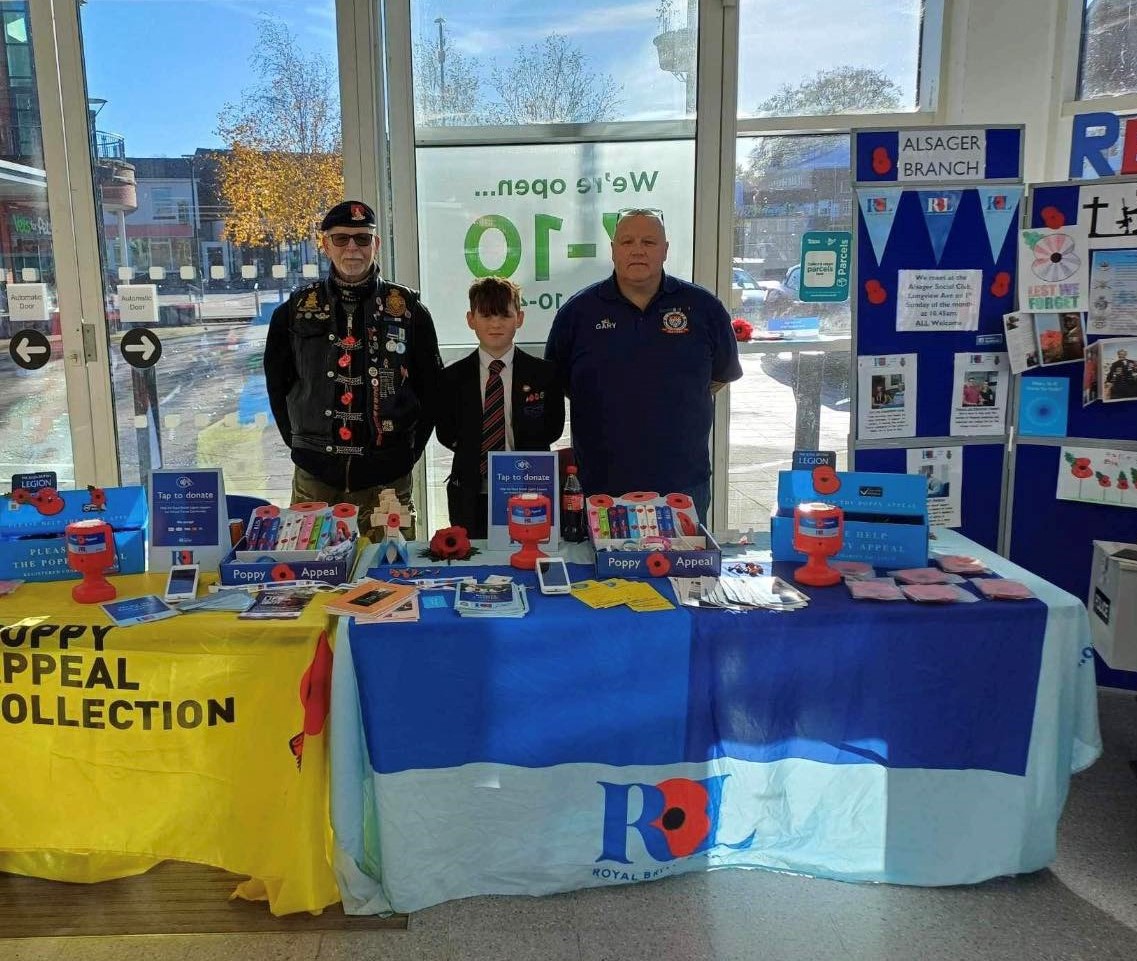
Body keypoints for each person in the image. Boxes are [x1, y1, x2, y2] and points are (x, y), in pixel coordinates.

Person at [544, 208, 742, 522]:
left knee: (683, 570)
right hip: (602, 483)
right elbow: (564, 383)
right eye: (627, 241)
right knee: (601, 571)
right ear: (613, 251)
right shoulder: (577, 314)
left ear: (665, 250)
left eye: (649, 242)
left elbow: (720, 375)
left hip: (682, 482)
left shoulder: (704, 308)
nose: (638, 249)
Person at [264, 200, 444, 539]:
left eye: (362, 239)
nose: (352, 248)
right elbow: (278, 386)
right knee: (312, 580)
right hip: (315, 478)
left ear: (375, 244)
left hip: (387, 478)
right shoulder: (294, 312)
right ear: (325, 244)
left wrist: (406, 454)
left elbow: (432, 390)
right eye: (341, 238)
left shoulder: (410, 312)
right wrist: (300, 447)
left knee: (391, 578)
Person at [436, 277, 565, 538]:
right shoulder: (452, 378)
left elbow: (552, 428)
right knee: (473, 564)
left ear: (519, 318)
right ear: (471, 319)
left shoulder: (544, 374)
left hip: (529, 489)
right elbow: (446, 432)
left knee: (529, 555)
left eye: (504, 315)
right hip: (471, 492)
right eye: (486, 315)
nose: (495, 324)